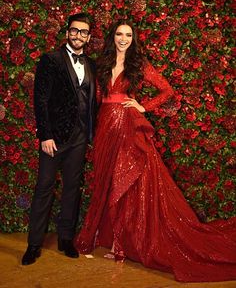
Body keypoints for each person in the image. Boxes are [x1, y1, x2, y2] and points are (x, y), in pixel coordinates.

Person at [75, 20, 236, 282]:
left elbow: (167, 90)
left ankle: (121, 243)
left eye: (128, 35)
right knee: (106, 181)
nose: (123, 39)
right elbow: (95, 98)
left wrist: (143, 106)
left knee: (123, 183)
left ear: (133, 38)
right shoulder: (101, 63)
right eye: (119, 34)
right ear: (112, 37)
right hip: (105, 126)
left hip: (128, 128)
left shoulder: (139, 64)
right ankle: (114, 238)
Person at [22, 13, 96, 265]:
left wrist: (89, 133)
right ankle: (33, 244)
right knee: (44, 188)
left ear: (88, 36)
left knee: (72, 189)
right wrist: (45, 135)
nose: (78, 35)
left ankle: (66, 239)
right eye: (74, 31)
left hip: (78, 138)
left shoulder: (91, 64)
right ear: (67, 33)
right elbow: (40, 100)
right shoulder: (50, 60)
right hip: (53, 139)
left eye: (83, 32)